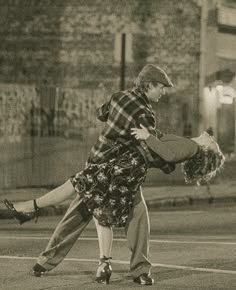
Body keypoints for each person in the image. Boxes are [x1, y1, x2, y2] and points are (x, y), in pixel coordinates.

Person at [4, 64, 178, 286]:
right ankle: (139, 271)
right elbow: (151, 149)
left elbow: (100, 113)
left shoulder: (118, 96)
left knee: (76, 215)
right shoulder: (144, 113)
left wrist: (115, 125)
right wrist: (172, 162)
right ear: (148, 85)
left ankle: (44, 262)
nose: (163, 92)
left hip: (97, 161)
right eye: (161, 88)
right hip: (116, 173)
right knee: (138, 217)